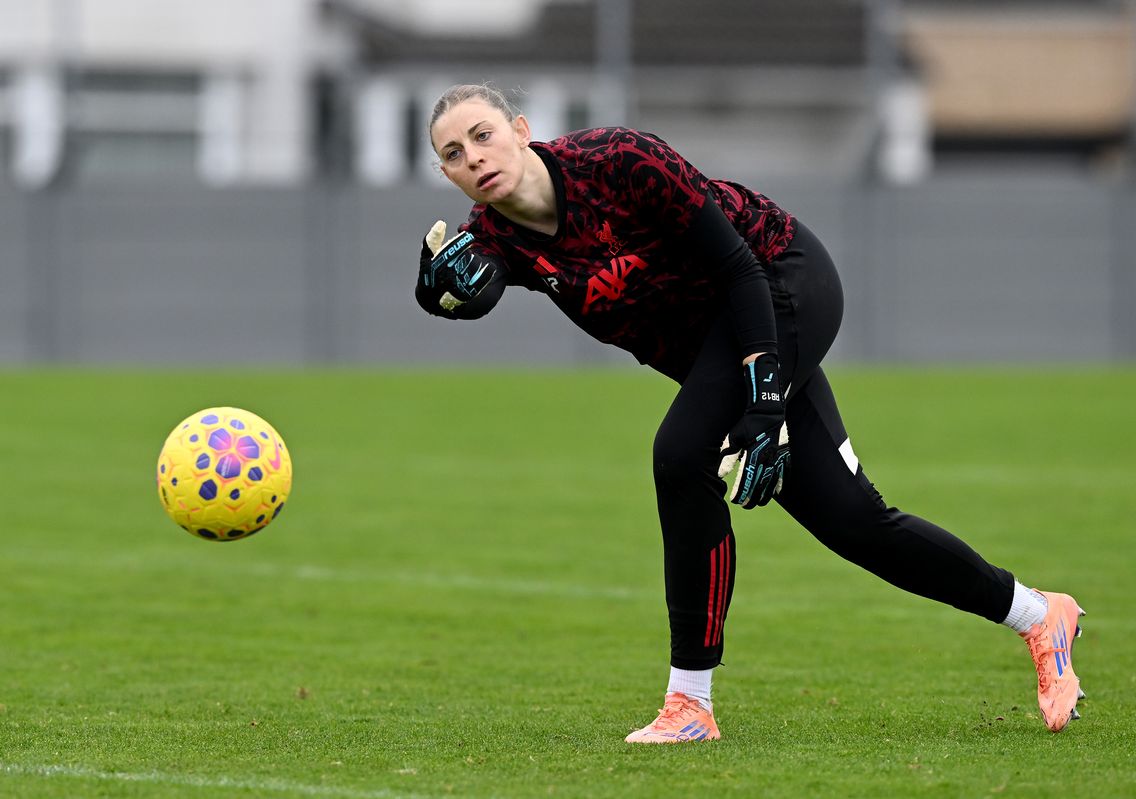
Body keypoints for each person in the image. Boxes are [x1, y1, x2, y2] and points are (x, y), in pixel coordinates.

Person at [415, 83, 1086, 743]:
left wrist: (765, 405)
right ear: (447, 175)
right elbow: (473, 293)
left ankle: (689, 703)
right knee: (854, 521)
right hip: (724, 347)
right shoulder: (493, 237)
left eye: (483, 135)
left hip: (782, 281)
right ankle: (1037, 614)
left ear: (521, 130)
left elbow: (740, 268)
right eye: (453, 153)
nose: (474, 157)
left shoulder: (618, 159)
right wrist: (435, 291)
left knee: (681, 456)